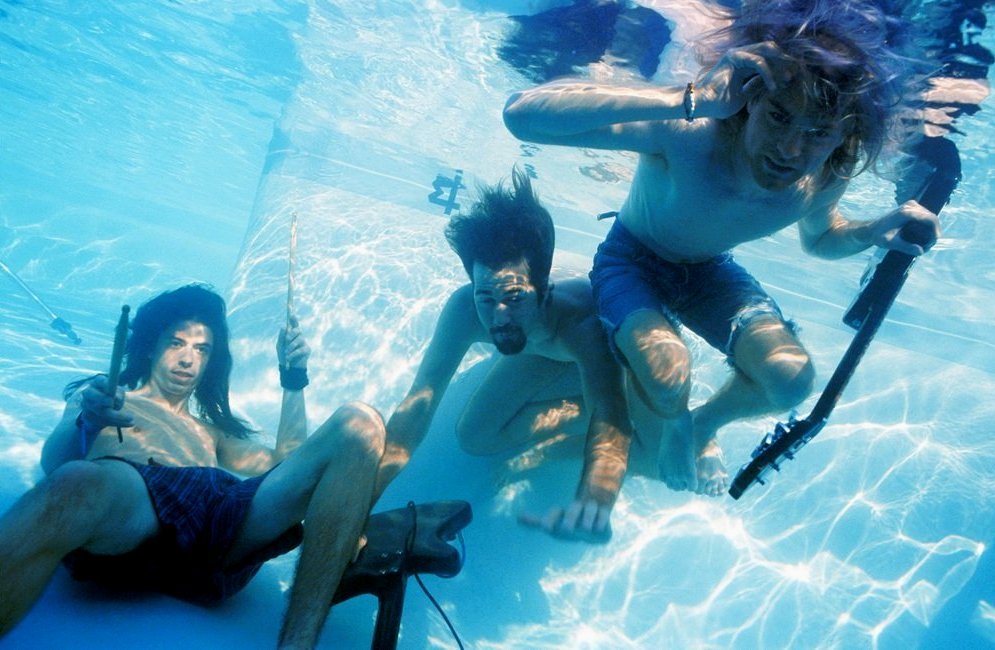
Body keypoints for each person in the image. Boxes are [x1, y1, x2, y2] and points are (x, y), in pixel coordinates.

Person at [502, 0, 941, 497]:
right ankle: (670, 417)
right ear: (749, 101)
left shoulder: (824, 176)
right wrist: (690, 98)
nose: (790, 150)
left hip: (709, 273)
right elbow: (521, 116)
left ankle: (701, 424)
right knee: (668, 375)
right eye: (778, 116)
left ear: (845, 136)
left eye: (818, 133)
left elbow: (821, 239)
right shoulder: (690, 135)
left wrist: (873, 232)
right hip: (631, 261)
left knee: (790, 381)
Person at [0, 284, 385, 650]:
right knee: (76, 478)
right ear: (151, 348)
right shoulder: (106, 397)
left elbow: (288, 464)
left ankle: (297, 645)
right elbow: (55, 461)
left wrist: (294, 378)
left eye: (202, 349)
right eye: (176, 343)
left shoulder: (214, 434)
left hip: (218, 523)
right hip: (132, 505)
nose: (188, 359)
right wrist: (88, 421)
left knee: (360, 423)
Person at [373, 169, 637, 543]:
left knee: (624, 411)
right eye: (486, 297)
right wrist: (368, 492)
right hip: (547, 350)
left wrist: (594, 502)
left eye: (515, 298)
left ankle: (618, 413)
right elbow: (421, 399)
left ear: (545, 290)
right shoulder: (467, 309)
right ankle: (578, 412)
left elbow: (609, 419)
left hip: (617, 358)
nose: (498, 318)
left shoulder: (584, 325)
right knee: (474, 436)